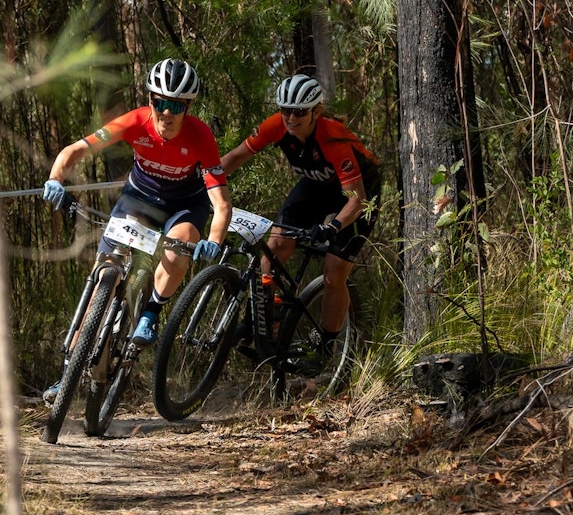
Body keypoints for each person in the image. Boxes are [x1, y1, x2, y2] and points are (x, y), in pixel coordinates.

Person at [42, 59, 232, 400]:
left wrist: (214, 241)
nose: (167, 112)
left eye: (176, 105)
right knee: (102, 279)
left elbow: (221, 204)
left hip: (184, 205)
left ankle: (151, 312)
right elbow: (76, 150)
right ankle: (68, 371)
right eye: (160, 102)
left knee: (181, 245)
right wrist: (56, 180)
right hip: (139, 199)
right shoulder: (135, 121)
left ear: (188, 107)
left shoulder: (201, 136)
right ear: (150, 100)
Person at [221, 74, 381, 373]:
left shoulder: (333, 137)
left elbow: (357, 198)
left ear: (315, 112)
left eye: (299, 111)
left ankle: (325, 344)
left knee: (334, 272)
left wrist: (333, 226)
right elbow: (235, 156)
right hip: (316, 185)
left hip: (358, 192)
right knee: (275, 246)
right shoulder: (276, 125)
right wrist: (206, 183)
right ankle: (259, 321)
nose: (291, 118)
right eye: (285, 110)